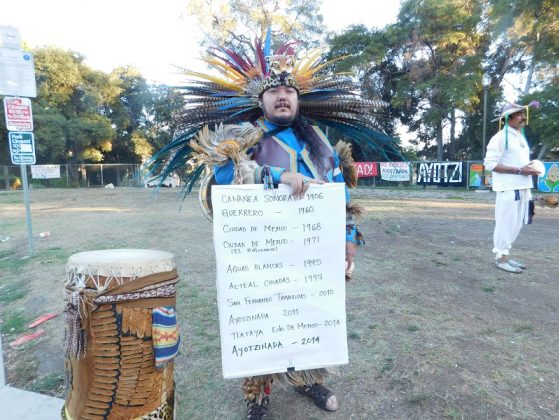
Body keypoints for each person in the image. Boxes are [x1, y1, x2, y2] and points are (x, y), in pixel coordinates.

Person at [146, 35, 400, 419]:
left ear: (298, 100)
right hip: (261, 251)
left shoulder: (319, 144)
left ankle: (308, 377)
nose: (283, 97)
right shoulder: (240, 138)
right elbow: (224, 176)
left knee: (309, 313)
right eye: (275, 91)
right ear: (261, 100)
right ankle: (257, 395)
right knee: (263, 320)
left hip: (311, 250)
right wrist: (276, 176)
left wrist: (349, 239)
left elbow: (339, 193)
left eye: (289, 92)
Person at [483, 103, 541, 273]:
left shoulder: (519, 136)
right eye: (519, 114)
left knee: (516, 224)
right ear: (509, 118)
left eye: (523, 114)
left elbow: (519, 162)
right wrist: (520, 170)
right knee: (505, 223)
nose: (523, 117)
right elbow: (490, 164)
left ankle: (505, 255)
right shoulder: (500, 137)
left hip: (523, 187)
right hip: (508, 188)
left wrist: (531, 167)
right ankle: (501, 259)